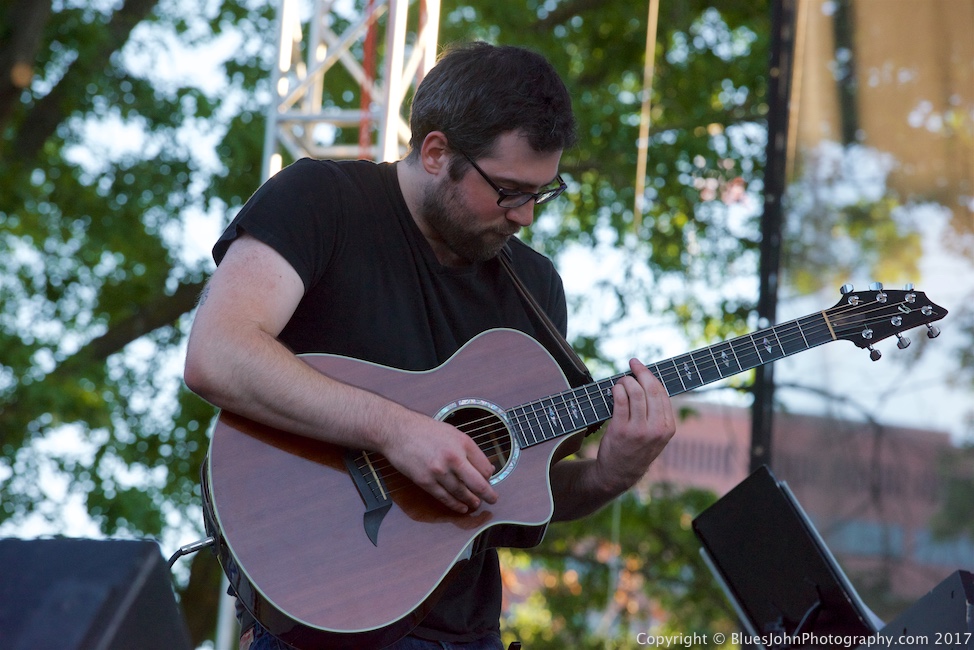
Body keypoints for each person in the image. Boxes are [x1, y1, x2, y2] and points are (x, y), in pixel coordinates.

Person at [184, 41, 676, 650]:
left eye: (542, 194)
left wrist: (607, 475)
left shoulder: (535, 289)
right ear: (437, 152)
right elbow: (217, 354)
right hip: (322, 618)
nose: (525, 217)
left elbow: (516, 498)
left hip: (466, 635)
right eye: (509, 191)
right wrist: (396, 431)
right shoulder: (322, 198)